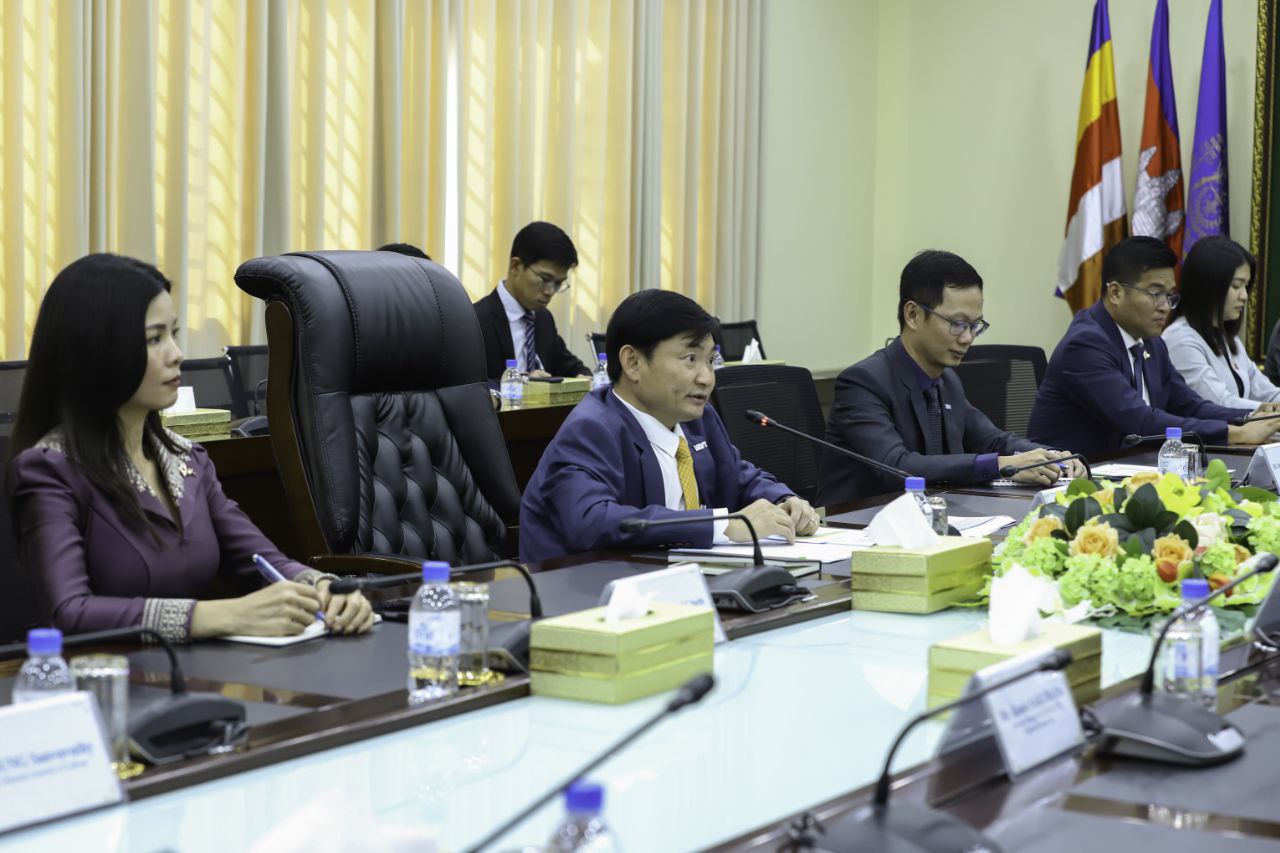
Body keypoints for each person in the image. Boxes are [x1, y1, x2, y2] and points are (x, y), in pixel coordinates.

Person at [6, 254, 374, 643]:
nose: (176, 354)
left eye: (174, 334)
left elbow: (262, 562)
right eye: (154, 339)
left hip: (197, 671)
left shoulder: (187, 459)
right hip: (106, 675)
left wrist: (325, 589)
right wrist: (223, 615)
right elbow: (70, 612)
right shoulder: (50, 469)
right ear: (97, 351)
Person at [519, 289, 819, 563]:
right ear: (633, 363)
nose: (707, 378)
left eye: (710, 360)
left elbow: (738, 477)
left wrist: (783, 499)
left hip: (679, 581)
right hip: (588, 591)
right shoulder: (591, 430)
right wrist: (723, 525)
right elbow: (592, 521)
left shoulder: (699, 419)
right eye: (690, 359)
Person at [821, 251, 1085, 505]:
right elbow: (898, 466)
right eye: (957, 324)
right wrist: (1001, 464)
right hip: (858, 522)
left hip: (934, 515)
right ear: (913, 315)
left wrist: (1052, 456)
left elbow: (994, 440)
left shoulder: (947, 380)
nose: (968, 338)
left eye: (974, 325)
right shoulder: (863, 382)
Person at [1028, 237, 1276, 455]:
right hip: (1072, 478)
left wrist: (1251, 416)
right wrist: (1235, 434)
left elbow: (1189, 405)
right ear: (1115, 293)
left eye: (1169, 295)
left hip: (1131, 469)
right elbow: (1141, 422)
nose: (1165, 306)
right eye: (1155, 294)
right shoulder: (1085, 345)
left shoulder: (1151, 343)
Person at [1164, 236, 1280, 409]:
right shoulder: (1180, 340)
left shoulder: (1228, 338)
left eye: (1246, 286)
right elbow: (1219, 404)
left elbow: (1266, 392)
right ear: (1209, 285)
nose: (1244, 296)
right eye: (1236, 286)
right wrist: (1268, 410)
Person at [473, 221, 591, 382]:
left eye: (558, 283)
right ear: (515, 266)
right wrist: (523, 383)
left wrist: (584, 376)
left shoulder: (543, 318)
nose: (550, 291)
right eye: (545, 279)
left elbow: (569, 365)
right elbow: (469, 386)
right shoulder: (476, 320)